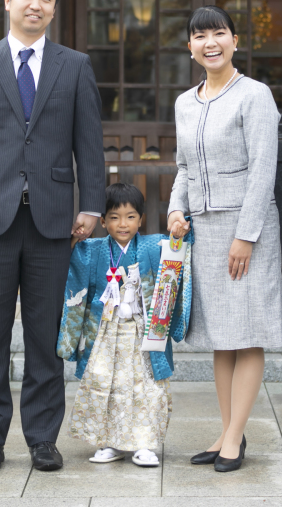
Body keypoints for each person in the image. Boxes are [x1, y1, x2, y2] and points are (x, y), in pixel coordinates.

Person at [0, 0, 107, 473]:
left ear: (54, 8)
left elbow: (90, 144)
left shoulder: (74, 65)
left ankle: (42, 437)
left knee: (46, 335)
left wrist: (91, 205)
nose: (35, 5)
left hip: (54, 221)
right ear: (8, 0)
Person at [167, 5, 282, 473]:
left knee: (248, 333)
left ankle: (234, 438)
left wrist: (246, 236)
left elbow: (263, 170)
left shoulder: (255, 95)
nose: (209, 42)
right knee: (221, 337)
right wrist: (177, 209)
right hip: (203, 230)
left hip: (246, 230)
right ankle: (225, 431)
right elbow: (183, 167)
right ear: (190, 47)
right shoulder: (183, 102)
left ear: (236, 41)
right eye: (200, 35)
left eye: (219, 33)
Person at [57, 183, 192, 468]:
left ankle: (145, 443)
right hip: (105, 332)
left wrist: (178, 237)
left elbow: (175, 253)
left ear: (141, 220)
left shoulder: (153, 247)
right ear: (103, 221)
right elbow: (71, 264)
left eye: (131, 216)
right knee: (104, 384)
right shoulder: (92, 250)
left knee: (146, 387)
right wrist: (72, 241)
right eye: (115, 217)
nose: (123, 224)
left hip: (142, 332)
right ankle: (108, 442)